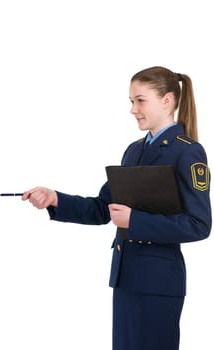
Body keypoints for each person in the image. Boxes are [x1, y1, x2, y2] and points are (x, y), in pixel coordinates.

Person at [22, 66, 212, 350]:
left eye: (140, 100)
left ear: (167, 100)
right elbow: (103, 208)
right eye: (131, 101)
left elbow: (199, 224)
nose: (133, 109)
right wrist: (55, 199)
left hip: (159, 282)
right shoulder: (134, 150)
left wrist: (135, 220)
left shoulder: (187, 151)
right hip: (126, 277)